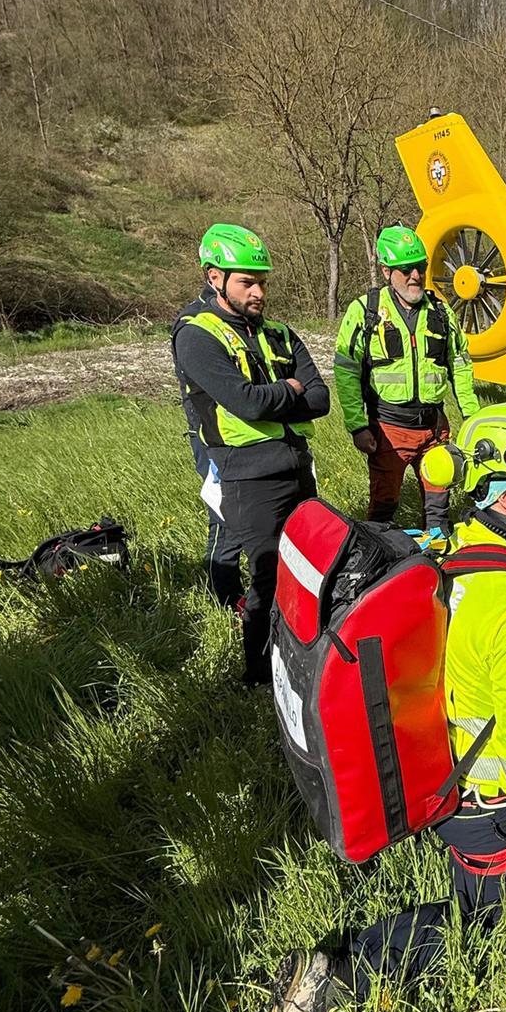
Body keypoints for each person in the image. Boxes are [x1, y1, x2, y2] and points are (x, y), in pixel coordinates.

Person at [266, 401, 506, 1012]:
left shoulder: (458, 548)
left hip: (444, 775)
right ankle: (344, 972)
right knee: (479, 928)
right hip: (487, 807)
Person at [172, 224, 329, 685]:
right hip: (247, 474)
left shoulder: (279, 333)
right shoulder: (197, 334)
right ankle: (260, 676)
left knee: (308, 565)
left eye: (263, 281)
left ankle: (307, 653)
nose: (259, 292)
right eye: (247, 282)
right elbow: (245, 402)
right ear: (215, 277)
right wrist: (290, 389)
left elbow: (319, 399)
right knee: (266, 576)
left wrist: (280, 393)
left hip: (297, 463)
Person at [334, 225, 479, 534]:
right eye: (405, 269)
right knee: (384, 508)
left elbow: (460, 362)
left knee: (439, 507)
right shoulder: (365, 312)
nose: (416, 275)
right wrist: (357, 426)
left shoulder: (441, 312)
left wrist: (472, 416)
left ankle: (438, 565)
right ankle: (380, 565)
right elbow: (346, 370)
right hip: (389, 430)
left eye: (421, 267)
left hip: (434, 428)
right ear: (387, 271)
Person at [170, 278, 244, 608]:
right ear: (215, 278)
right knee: (225, 517)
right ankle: (226, 600)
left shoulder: (240, 318)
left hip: (253, 437)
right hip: (213, 439)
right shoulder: (194, 324)